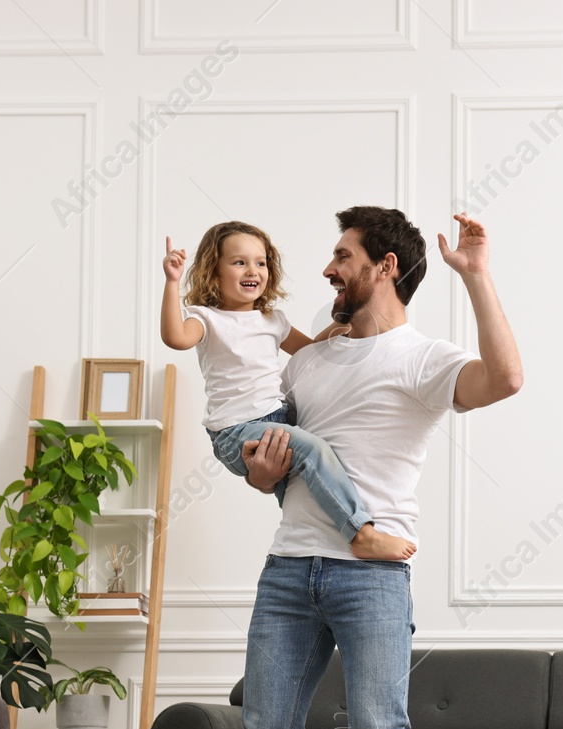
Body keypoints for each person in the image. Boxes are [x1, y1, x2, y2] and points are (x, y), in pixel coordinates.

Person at [239, 207, 523, 729]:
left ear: (385, 265)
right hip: (288, 571)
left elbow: (507, 379)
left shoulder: (424, 357)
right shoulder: (307, 360)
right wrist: (259, 472)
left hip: (372, 576)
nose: (328, 269)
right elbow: (279, 466)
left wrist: (478, 277)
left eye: (342, 255)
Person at [161, 220, 414, 561]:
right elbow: (175, 338)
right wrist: (172, 282)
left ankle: (320, 542)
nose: (253, 270)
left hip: (276, 416)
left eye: (261, 262)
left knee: (319, 435)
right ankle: (360, 532)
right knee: (312, 448)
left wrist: (345, 322)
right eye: (239, 262)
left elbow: (309, 349)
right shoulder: (206, 319)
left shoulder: (272, 320)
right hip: (237, 430)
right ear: (214, 271)